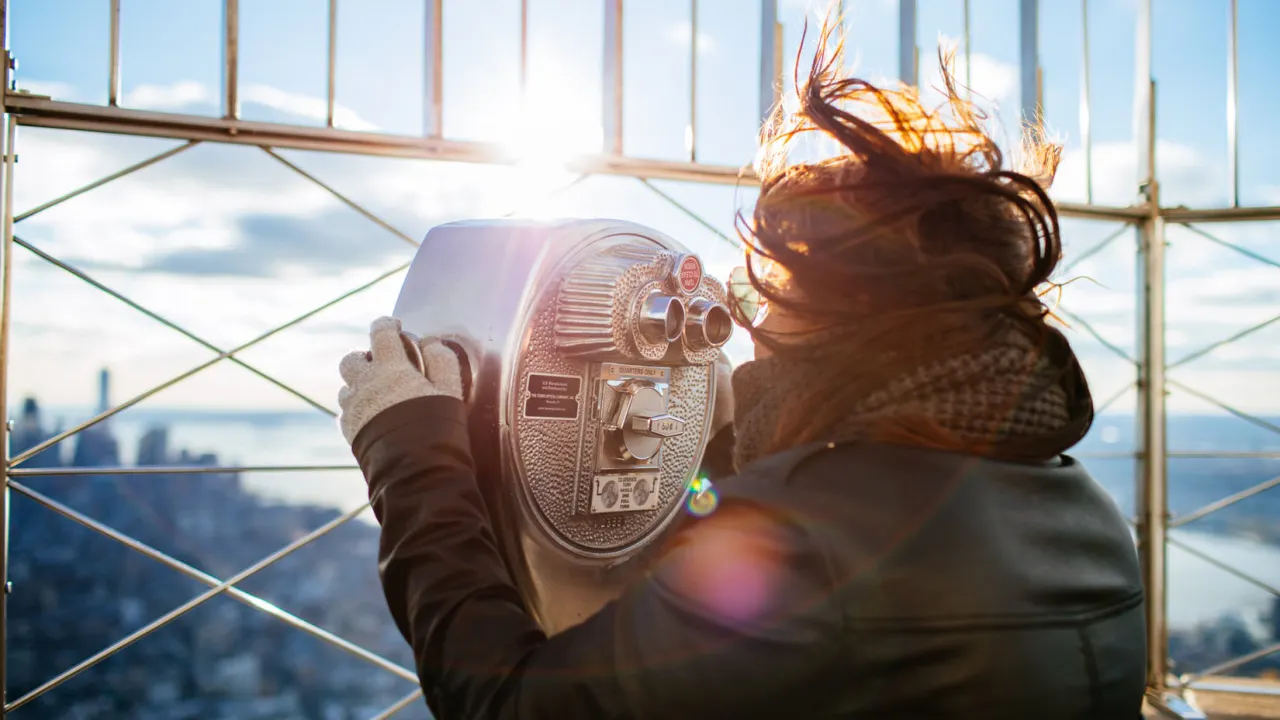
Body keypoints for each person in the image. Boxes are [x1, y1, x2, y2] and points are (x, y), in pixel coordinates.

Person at [336, 21, 1146, 720]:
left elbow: (511, 702)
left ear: (844, 321)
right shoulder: (1086, 513)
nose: (751, 331)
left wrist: (409, 449)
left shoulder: (807, 542)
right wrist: (715, 455)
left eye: (774, 298)